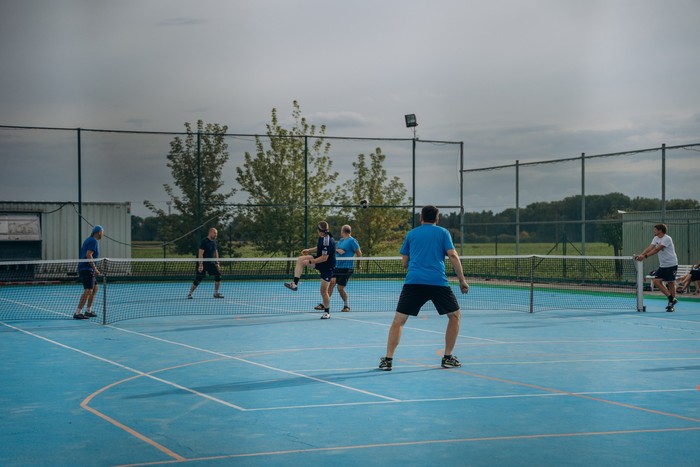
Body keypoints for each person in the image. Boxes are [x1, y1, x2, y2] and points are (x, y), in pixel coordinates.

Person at [379, 205, 469, 371]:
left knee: (399, 320)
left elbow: (404, 263)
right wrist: (462, 280)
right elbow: (452, 255)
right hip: (438, 282)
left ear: (421, 217)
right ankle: (447, 357)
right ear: (437, 218)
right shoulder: (443, 233)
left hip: (413, 283)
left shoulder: (411, 234)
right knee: (455, 316)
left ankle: (388, 359)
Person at [284, 221, 337, 319]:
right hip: (319, 261)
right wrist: (309, 250)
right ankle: (295, 284)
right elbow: (319, 248)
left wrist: (309, 262)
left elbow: (324, 258)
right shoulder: (322, 237)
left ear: (319, 230)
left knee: (323, 291)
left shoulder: (328, 240)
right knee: (301, 259)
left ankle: (327, 312)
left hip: (327, 267)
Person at [314, 224, 362, 313]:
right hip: (336, 267)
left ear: (343, 231)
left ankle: (346, 306)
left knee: (340, 288)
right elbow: (334, 248)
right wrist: (338, 250)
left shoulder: (352, 241)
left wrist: (359, 264)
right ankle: (324, 304)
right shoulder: (341, 240)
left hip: (346, 268)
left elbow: (359, 253)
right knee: (331, 283)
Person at [634, 223, 679, 312]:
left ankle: (671, 305)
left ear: (660, 230)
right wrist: (641, 255)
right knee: (656, 281)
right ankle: (671, 299)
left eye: (655, 229)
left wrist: (645, 256)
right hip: (663, 265)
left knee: (671, 283)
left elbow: (656, 249)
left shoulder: (667, 239)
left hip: (671, 264)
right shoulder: (656, 238)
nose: (653, 231)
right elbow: (650, 248)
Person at [74, 225, 104, 320]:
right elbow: (89, 255)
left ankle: (88, 310)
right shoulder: (93, 241)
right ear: (99, 232)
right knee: (88, 290)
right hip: (86, 268)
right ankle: (78, 312)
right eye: (102, 232)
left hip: (88, 269)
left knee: (95, 288)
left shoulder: (90, 240)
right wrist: (95, 269)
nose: (103, 234)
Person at [187, 227, 224, 299]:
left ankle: (216, 293)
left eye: (216, 233)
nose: (216, 234)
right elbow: (200, 253)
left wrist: (217, 263)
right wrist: (200, 265)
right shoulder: (204, 242)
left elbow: (216, 252)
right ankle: (190, 293)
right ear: (210, 233)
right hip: (202, 262)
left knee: (218, 275)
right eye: (214, 233)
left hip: (210, 263)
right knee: (199, 278)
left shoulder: (215, 241)